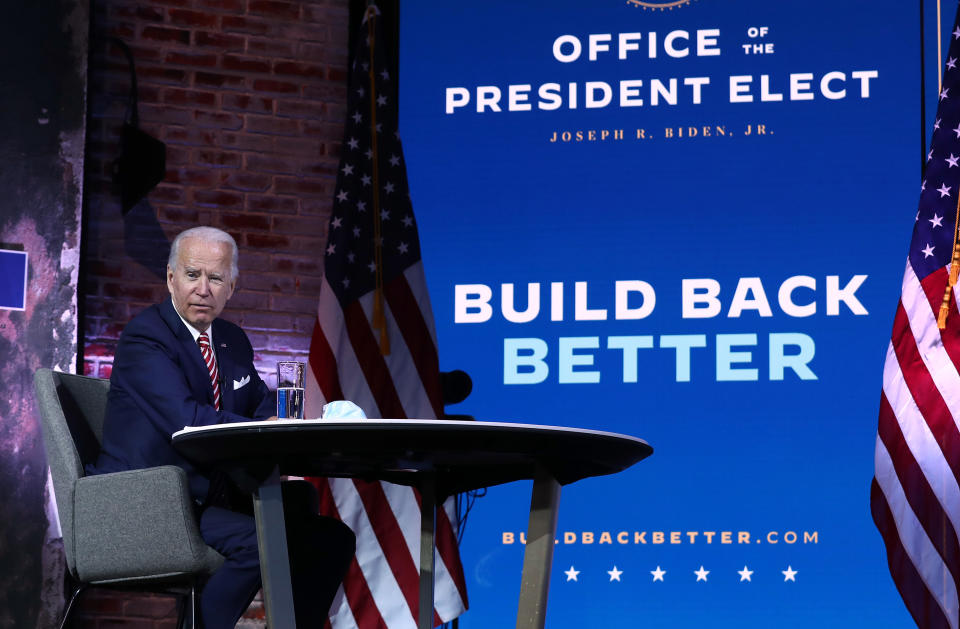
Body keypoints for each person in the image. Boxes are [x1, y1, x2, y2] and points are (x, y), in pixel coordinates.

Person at [88, 226, 355, 628]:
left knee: (329, 537)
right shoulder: (147, 337)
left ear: (232, 286)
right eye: (193, 275)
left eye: (215, 278)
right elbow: (187, 421)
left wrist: (297, 422)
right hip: (150, 498)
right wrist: (262, 425)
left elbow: (263, 407)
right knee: (258, 543)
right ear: (170, 278)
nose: (203, 289)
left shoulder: (231, 339)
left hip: (207, 491)